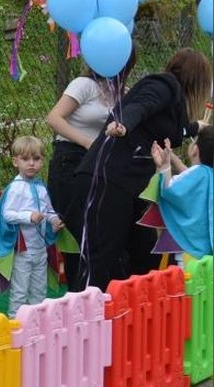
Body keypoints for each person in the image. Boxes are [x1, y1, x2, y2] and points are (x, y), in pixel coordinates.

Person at [64, 48, 211, 291]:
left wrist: (196, 127)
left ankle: (130, 318)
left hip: (128, 185)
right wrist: (123, 124)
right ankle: (86, 320)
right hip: (106, 179)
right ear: (196, 81)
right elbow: (141, 107)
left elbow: (177, 127)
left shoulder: (172, 104)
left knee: (146, 258)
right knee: (100, 259)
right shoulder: (163, 85)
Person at [44, 56, 135, 224]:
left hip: (101, 162)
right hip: (71, 157)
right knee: (74, 225)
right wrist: (88, 143)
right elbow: (54, 118)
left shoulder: (124, 94)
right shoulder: (84, 85)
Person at [0, 136, 63, 316]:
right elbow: (7, 214)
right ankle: (15, 325)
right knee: (20, 291)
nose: (31, 164)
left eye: (36, 159)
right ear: (15, 162)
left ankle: (37, 324)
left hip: (40, 249)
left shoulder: (41, 187)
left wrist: (54, 220)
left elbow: (48, 211)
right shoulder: (16, 188)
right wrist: (29, 216)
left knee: (39, 291)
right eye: (26, 159)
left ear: (42, 161)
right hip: (23, 251)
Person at [151, 127, 213, 259]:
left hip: (187, 249)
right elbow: (187, 175)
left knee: (182, 279)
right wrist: (172, 157)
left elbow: (170, 189)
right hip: (204, 251)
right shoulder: (208, 174)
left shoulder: (197, 173)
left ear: (195, 149)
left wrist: (165, 164)